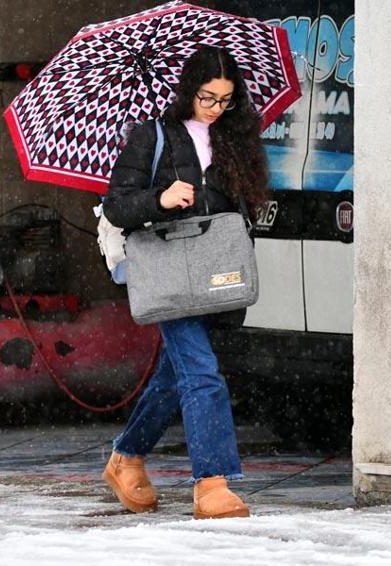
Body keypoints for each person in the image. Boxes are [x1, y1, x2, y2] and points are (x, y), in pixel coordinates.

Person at [101, 46, 268, 519]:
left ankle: (127, 456)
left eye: (225, 100)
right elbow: (118, 205)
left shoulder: (235, 140)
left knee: (175, 376)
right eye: (207, 98)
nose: (215, 109)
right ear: (187, 90)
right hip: (171, 276)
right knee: (202, 374)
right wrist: (162, 198)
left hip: (216, 276)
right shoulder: (151, 137)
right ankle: (212, 484)